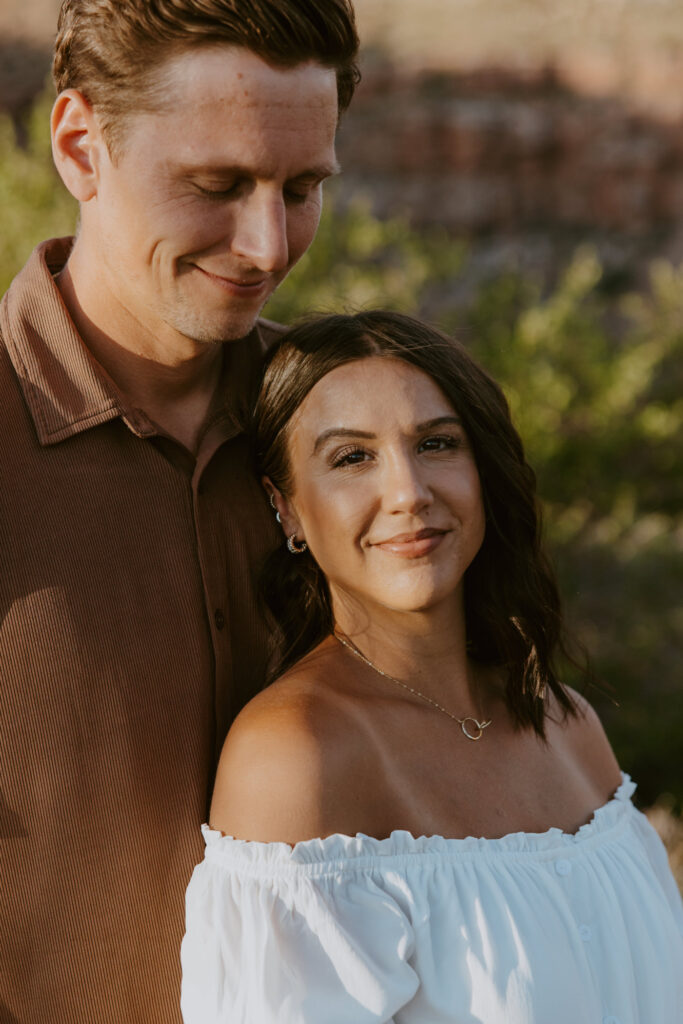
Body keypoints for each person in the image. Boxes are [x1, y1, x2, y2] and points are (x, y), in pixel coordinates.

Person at [0, 2, 359, 1022]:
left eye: (301, 190)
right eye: (216, 185)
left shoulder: (358, 436)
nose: (265, 243)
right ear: (80, 145)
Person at [181, 311, 683, 1023]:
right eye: (351, 457)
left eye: (437, 444)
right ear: (284, 506)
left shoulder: (565, 721)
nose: (409, 492)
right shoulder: (295, 758)